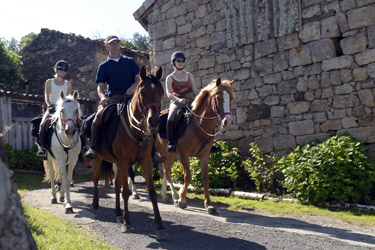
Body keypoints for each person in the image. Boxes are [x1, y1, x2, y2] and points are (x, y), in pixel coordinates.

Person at [84, 35, 165, 163]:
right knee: (98, 117)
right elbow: (100, 86)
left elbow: (138, 79)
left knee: (149, 117)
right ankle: (93, 147)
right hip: (114, 98)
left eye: (117, 43)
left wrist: (133, 88)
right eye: (112, 43)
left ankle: (153, 150)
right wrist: (103, 97)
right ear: (107, 46)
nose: (115, 45)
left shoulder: (130, 61)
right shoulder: (103, 66)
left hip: (131, 97)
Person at [36, 60, 72, 158]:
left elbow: (68, 99)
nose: (62, 71)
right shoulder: (49, 82)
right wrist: (49, 106)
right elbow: (47, 97)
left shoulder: (68, 84)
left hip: (63, 108)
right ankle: (42, 148)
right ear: (56, 70)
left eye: (65, 70)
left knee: (79, 122)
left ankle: (83, 148)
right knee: (42, 124)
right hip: (51, 107)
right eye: (60, 69)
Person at [165, 51, 199, 152]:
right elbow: (169, 94)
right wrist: (179, 99)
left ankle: (211, 142)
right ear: (173, 63)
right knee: (171, 116)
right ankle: (171, 142)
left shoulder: (189, 75)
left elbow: (195, 90)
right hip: (177, 101)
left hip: (191, 100)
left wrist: (201, 96)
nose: (180, 63)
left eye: (182, 61)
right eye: (178, 61)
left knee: (205, 111)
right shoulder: (170, 78)